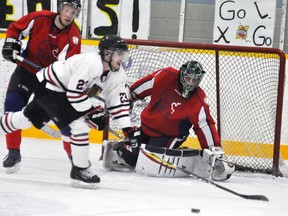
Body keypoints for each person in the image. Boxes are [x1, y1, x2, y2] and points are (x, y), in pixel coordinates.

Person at [0, 35, 139, 188]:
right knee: (79, 124)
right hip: (52, 87)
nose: (123, 58)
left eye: (124, 54)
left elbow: (117, 102)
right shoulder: (92, 63)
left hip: (61, 91)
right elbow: (74, 94)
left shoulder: (116, 74)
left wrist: (128, 129)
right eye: (119, 54)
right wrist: (91, 112)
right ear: (107, 53)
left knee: (27, 119)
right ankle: (79, 170)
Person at [102, 60, 235, 181]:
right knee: (129, 155)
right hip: (147, 128)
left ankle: (181, 152)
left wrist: (214, 150)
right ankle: (121, 147)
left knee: (148, 161)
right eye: (188, 78)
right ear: (182, 74)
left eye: (194, 81)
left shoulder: (198, 99)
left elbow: (205, 126)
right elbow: (138, 89)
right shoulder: (165, 76)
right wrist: (126, 99)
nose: (189, 83)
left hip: (171, 136)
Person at [1, 0, 82, 173]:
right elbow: (16, 28)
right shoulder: (40, 18)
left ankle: (75, 161)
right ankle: (13, 152)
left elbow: (67, 66)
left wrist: (55, 78)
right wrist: (11, 43)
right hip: (27, 70)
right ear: (61, 9)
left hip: (50, 80)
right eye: (67, 10)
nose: (70, 15)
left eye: (74, 13)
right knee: (12, 103)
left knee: (65, 118)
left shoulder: (73, 35)